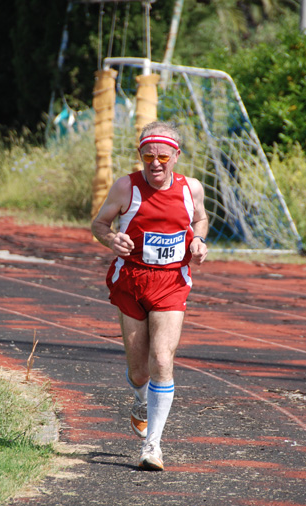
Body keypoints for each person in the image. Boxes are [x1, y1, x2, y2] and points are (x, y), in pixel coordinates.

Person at [91, 121, 208, 471]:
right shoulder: (126, 186)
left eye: (162, 156)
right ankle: (141, 400)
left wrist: (199, 242)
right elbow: (99, 225)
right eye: (147, 156)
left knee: (161, 359)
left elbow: (200, 220)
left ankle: (152, 446)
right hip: (131, 280)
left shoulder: (192, 189)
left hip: (172, 281)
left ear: (176, 156)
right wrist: (112, 240)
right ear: (140, 155)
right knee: (139, 370)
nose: (155, 164)